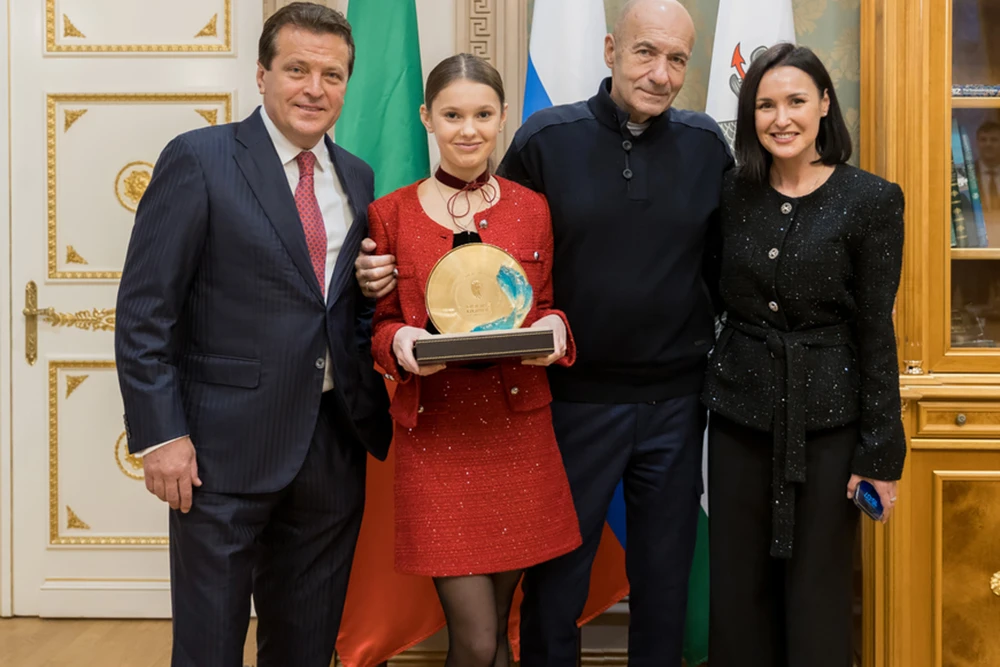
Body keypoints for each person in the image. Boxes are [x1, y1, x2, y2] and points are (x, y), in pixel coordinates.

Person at [357, 1, 732, 664]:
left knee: (666, 579)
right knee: (556, 585)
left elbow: (726, 263)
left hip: (676, 402)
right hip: (570, 402)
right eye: (646, 52)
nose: (661, 72)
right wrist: (377, 277)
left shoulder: (707, 145)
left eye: (677, 58)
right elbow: (492, 261)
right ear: (611, 50)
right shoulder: (546, 140)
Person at [114, 4, 391, 665]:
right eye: (297, 69)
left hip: (330, 448)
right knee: (209, 646)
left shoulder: (357, 176)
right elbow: (146, 311)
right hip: (219, 453)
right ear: (262, 75)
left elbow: (334, 309)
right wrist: (161, 435)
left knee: (305, 645)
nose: (315, 89)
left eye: (332, 74)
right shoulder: (200, 159)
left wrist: (373, 290)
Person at [368, 53, 582, 667]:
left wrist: (555, 329)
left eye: (483, 115)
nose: (469, 130)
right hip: (437, 441)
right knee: (477, 638)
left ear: (503, 116)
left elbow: (545, 306)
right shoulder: (390, 213)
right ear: (426, 117)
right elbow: (380, 325)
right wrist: (398, 345)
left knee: (499, 635)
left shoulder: (532, 208)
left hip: (518, 436)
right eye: (453, 115)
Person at [701, 43, 907, 667]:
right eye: (765, 105)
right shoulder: (730, 193)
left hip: (829, 428)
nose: (781, 118)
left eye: (795, 101)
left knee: (818, 598)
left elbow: (876, 331)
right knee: (737, 595)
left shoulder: (872, 199)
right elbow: (710, 291)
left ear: (823, 104)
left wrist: (880, 454)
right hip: (738, 421)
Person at [974, 120, 1000, 213]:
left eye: (994, 140)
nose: (988, 144)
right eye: (983, 140)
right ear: (977, 143)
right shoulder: (965, 174)